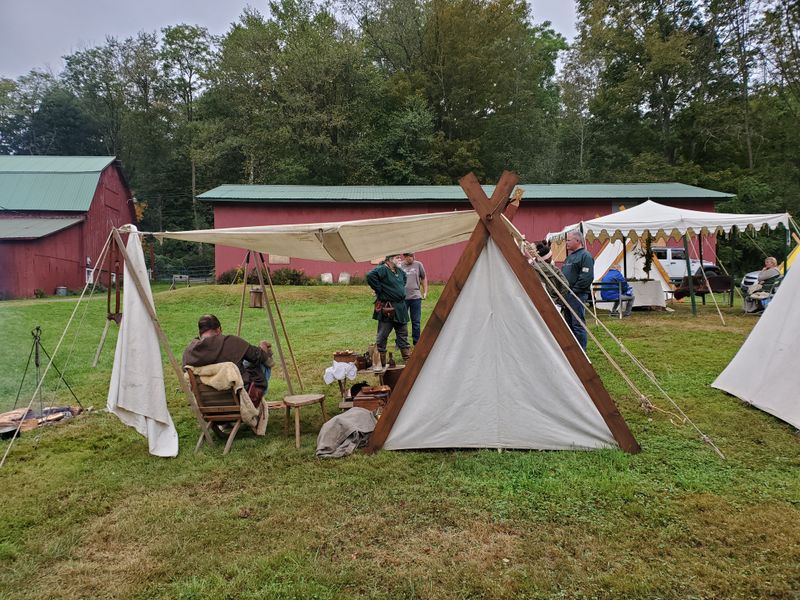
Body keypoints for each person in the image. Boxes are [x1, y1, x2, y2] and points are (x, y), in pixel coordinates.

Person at [182, 314, 274, 402]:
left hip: (206, 400)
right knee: (261, 363)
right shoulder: (231, 342)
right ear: (218, 330)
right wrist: (263, 348)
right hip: (238, 397)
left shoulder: (189, 352)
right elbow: (258, 356)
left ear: (199, 333)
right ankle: (254, 402)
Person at [367, 255, 411, 365]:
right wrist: (379, 289)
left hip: (401, 307)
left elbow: (404, 280)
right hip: (388, 307)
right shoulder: (383, 269)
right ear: (390, 259)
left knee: (403, 334)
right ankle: (380, 362)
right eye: (397, 257)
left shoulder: (399, 271)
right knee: (382, 335)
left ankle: (408, 361)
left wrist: (397, 290)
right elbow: (370, 276)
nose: (400, 259)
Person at [560, 230, 594, 350]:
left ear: (578, 241)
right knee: (568, 325)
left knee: (577, 324)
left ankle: (581, 352)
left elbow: (586, 277)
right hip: (567, 295)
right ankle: (572, 351)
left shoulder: (585, 256)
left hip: (576, 295)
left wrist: (573, 291)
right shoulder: (569, 258)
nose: (566, 243)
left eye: (569, 240)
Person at [400, 252, 428, 346]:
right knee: (402, 321)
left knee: (416, 321)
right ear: (404, 257)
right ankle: (402, 342)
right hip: (403, 297)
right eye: (408, 257)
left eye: (412, 256)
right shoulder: (400, 266)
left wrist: (425, 292)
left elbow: (423, 278)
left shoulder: (418, 264)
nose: (411, 259)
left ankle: (417, 342)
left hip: (415, 297)